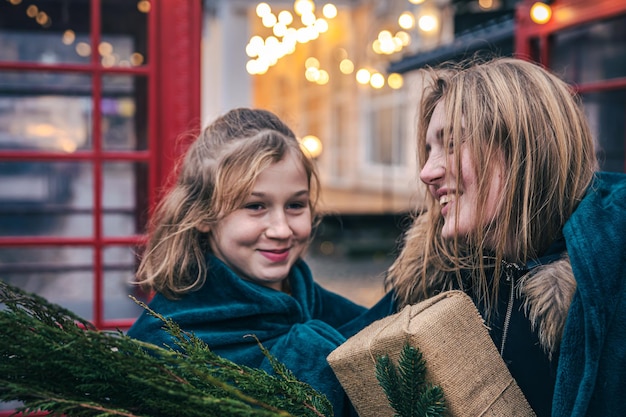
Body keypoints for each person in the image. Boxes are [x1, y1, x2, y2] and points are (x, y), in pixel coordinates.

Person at [340, 57, 626, 417]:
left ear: (527, 146)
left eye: (453, 142)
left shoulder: (610, 278)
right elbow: (332, 352)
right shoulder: (434, 277)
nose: (427, 171)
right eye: (429, 149)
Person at [127, 108, 366, 417]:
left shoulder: (324, 307)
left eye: (295, 205)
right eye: (255, 206)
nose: (281, 229)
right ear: (203, 215)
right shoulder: (162, 341)